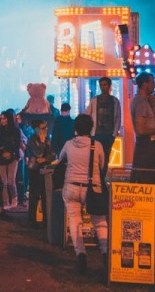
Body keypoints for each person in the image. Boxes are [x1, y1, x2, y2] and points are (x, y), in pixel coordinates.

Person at [57, 114, 108, 273]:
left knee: (74, 220)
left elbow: (60, 161)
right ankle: (105, 253)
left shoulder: (68, 144)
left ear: (76, 128)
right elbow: (102, 164)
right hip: (92, 188)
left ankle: (80, 254)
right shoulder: (96, 145)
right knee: (99, 221)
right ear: (91, 127)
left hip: (71, 187)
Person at [130, 73, 155, 181]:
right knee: (147, 178)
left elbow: (149, 123)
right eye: (153, 83)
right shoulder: (141, 103)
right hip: (146, 146)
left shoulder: (144, 101)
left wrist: (152, 105)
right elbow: (141, 129)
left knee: (150, 178)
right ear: (145, 84)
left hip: (148, 145)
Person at [85, 76, 122, 171]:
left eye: (105, 85)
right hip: (96, 133)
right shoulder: (94, 100)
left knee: (106, 157)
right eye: (101, 85)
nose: (103, 87)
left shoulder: (114, 101)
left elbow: (118, 118)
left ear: (109, 86)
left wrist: (114, 134)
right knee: (96, 157)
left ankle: (102, 176)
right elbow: (87, 115)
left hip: (108, 134)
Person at [25, 119, 54, 227]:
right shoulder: (32, 140)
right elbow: (38, 154)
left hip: (45, 170)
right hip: (35, 170)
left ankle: (46, 221)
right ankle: (32, 221)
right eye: (43, 128)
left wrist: (45, 159)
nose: (46, 129)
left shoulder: (48, 139)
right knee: (34, 196)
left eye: (46, 127)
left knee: (46, 196)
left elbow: (52, 154)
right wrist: (42, 144)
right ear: (37, 129)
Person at [0, 109, 22, 209]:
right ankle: (5, 202)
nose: (2, 120)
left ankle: (14, 199)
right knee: (3, 181)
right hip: (2, 157)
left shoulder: (16, 131)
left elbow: (17, 144)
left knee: (11, 180)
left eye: (4, 118)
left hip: (13, 157)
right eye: (1, 119)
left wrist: (11, 152)